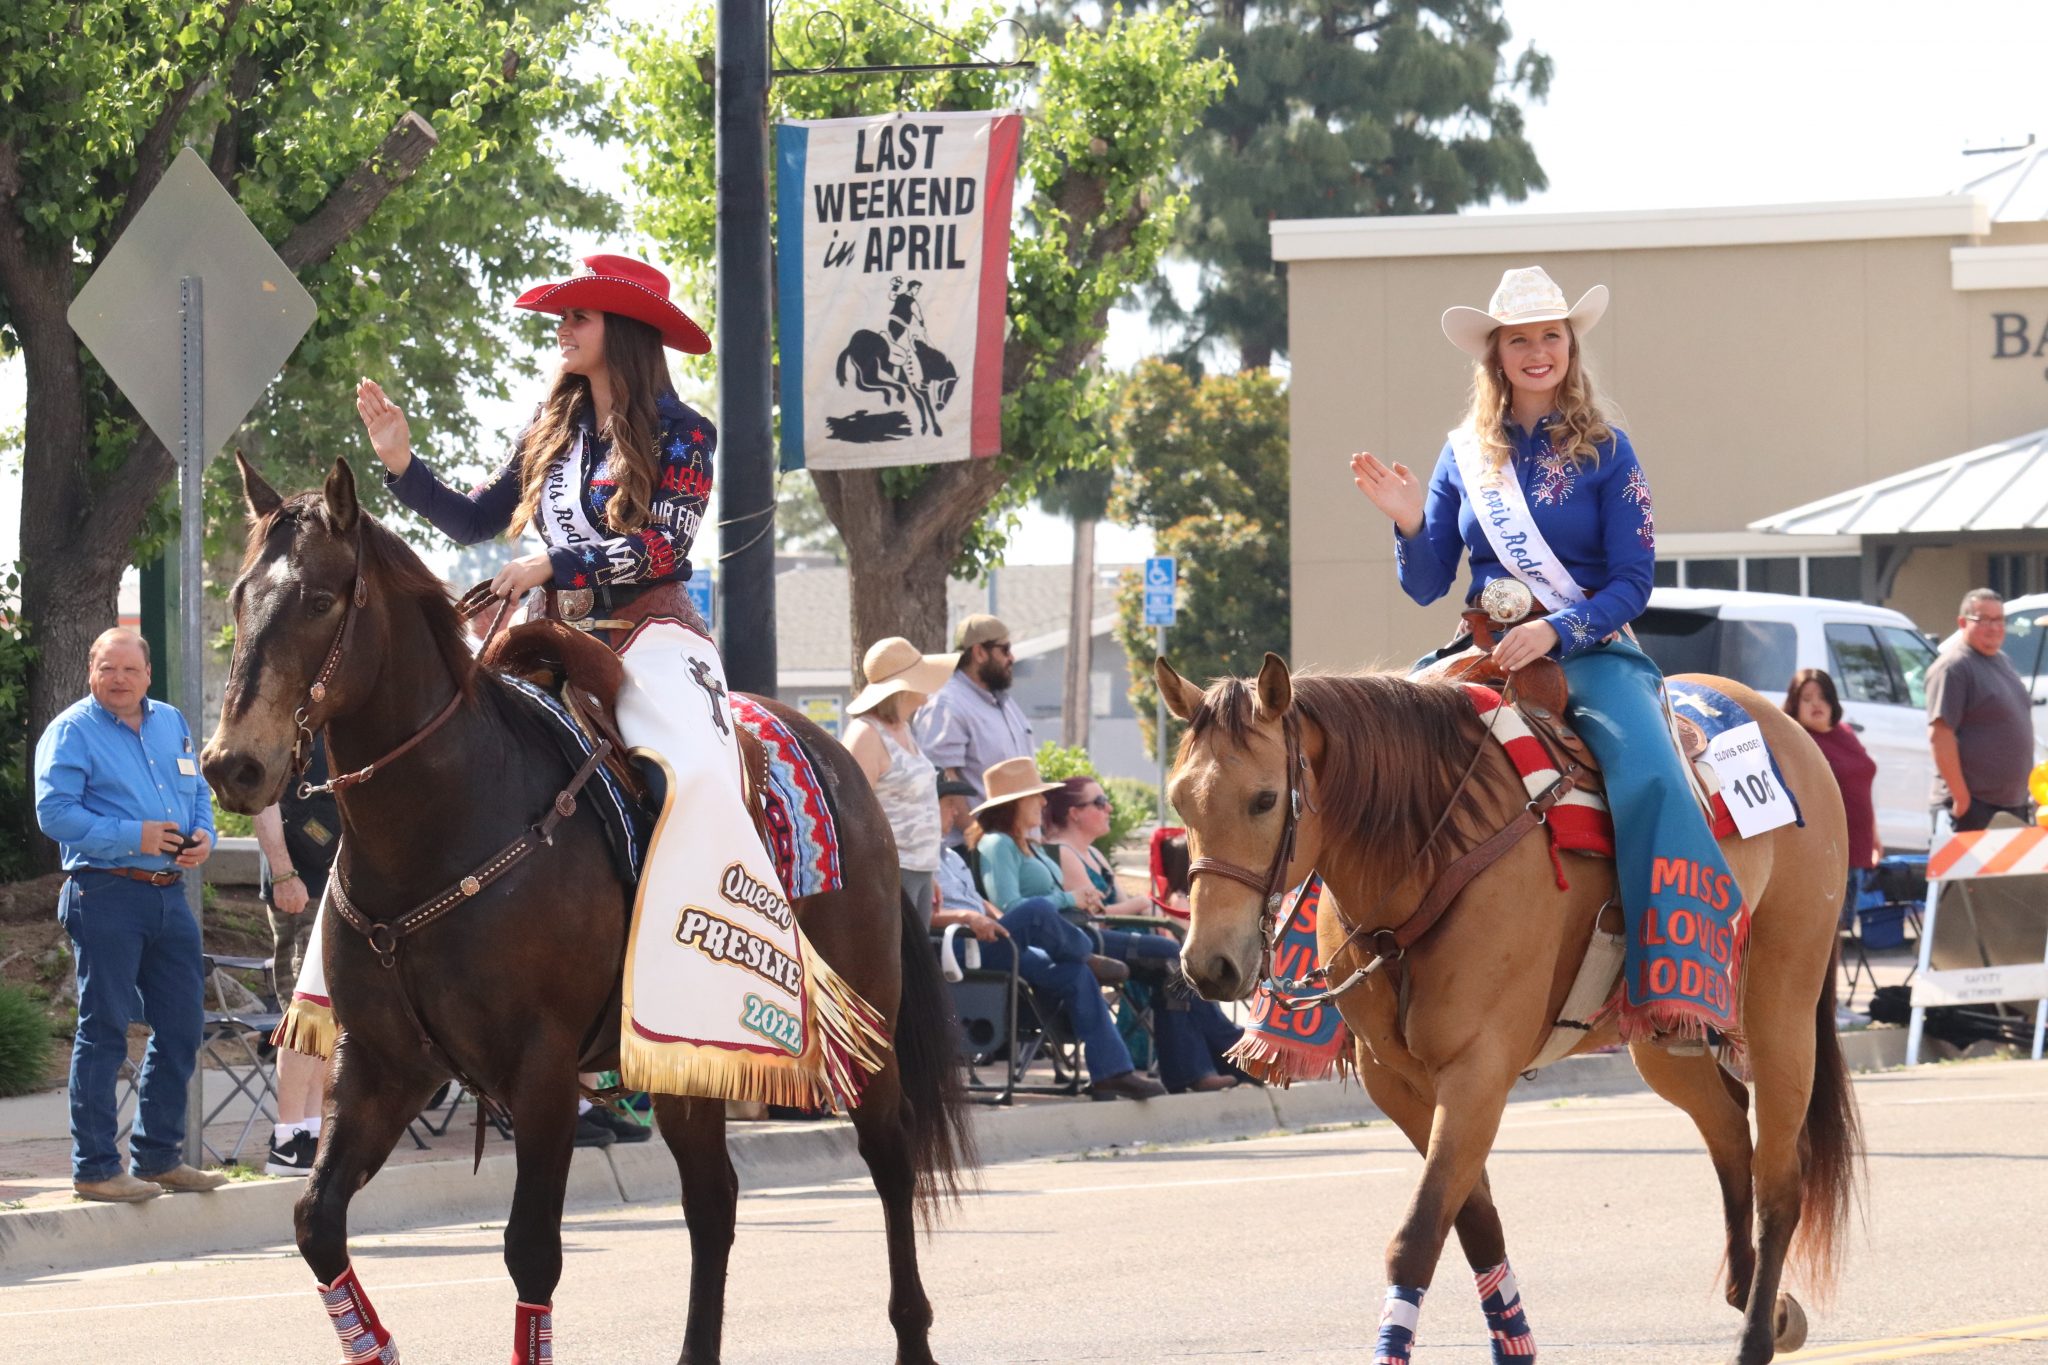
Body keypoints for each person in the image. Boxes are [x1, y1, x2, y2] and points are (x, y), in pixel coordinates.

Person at [357, 252, 850, 1110]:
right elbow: (476, 516)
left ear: (620, 331)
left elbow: (664, 546)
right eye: (563, 318)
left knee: (692, 773)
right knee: (442, 750)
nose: (563, 331)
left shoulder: (684, 432)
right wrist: (403, 466)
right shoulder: (551, 426)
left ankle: (708, 969)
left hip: (653, 631)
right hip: (551, 630)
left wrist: (555, 558)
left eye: (578, 318)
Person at [1348, 265, 1740, 1051]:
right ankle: (1311, 1000)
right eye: (1519, 339)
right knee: (1360, 757)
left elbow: (1633, 583)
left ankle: (1681, 979)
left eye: (1550, 336)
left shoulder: (1608, 452)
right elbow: (1429, 583)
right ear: (1495, 354)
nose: (1537, 352)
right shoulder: (1464, 455)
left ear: (1570, 346)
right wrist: (1406, 523)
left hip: (1589, 650)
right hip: (1481, 647)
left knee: (1655, 776)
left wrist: (1557, 631)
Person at [31, 628, 229, 1202]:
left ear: (148, 674)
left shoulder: (171, 721)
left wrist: (205, 837)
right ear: (90, 671)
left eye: (129, 670)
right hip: (105, 892)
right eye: (106, 669)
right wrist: (132, 834)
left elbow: (196, 794)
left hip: (170, 895)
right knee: (106, 1031)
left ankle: (157, 1158)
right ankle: (94, 1168)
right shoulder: (71, 731)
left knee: (183, 1028)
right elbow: (54, 813)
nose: (118, 679)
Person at [931, 772, 1161, 1100]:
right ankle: (1085, 953)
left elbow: (986, 904)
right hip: (962, 949)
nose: (955, 813)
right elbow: (916, 917)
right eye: (947, 806)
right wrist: (969, 916)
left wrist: (995, 919)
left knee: (1074, 973)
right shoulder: (919, 863)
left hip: (994, 941)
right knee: (1038, 910)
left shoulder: (952, 858)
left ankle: (1111, 1072)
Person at [1041, 777, 1244, 1093]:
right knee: (1171, 956)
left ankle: (1194, 1071)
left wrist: (1142, 908)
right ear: (1073, 813)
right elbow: (1088, 917)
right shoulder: (1061, 852)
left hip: (1124, 940)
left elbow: (1117, 907)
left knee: (1173, 975)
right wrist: (1142, 903)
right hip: (1090, 943)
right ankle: (1225, 1050)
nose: (1108, 807)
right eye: (1098, 802)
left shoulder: (1092, 854)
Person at [250, 734, 340, 1176]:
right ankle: (287, 1139)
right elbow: (262, 801)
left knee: (332, 1018)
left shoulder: (343, 724)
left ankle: (312, 1132)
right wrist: (284, 874)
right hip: (299, 891)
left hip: (343, 893)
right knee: (305, 1013)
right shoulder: (285, 729)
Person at [844, 636, 955, 923]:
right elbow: (852, 813)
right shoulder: (866, 734)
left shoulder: (904, 729)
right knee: (897, 962)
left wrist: (929, 875)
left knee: (913, 964)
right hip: (887, 872)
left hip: (919, 869)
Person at [1927, 588, 2035, 836]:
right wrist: (1960, 796)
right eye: (1984, 620)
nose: (1994, 627)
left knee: (2010, 876)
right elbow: (1940, 735)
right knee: (1966, 877)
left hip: (2011, 807)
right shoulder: (1953, 667)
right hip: (1972, 807)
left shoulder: (2002, 661)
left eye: (1999, 620)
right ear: (1963, 622)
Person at [1784, 669, 1879, 923]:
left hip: (1857, 848)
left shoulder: (1846, 733)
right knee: (1824, 933)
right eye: (1807, 698)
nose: (1816, 703)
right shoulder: (1797, 741)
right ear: (1794, 704)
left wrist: (1875, 837)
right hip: (1823, 854)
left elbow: (1862, 788)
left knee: (1842, 930)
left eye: (1823, 696)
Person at [914, 614, 1033, 809]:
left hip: (1016, 838)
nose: (1012, 658)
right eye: (1005, 650)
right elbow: (944, 780)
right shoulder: (946, 705)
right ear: (979, 653)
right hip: (972, 838)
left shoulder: (1005, 702)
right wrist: (974, 835)